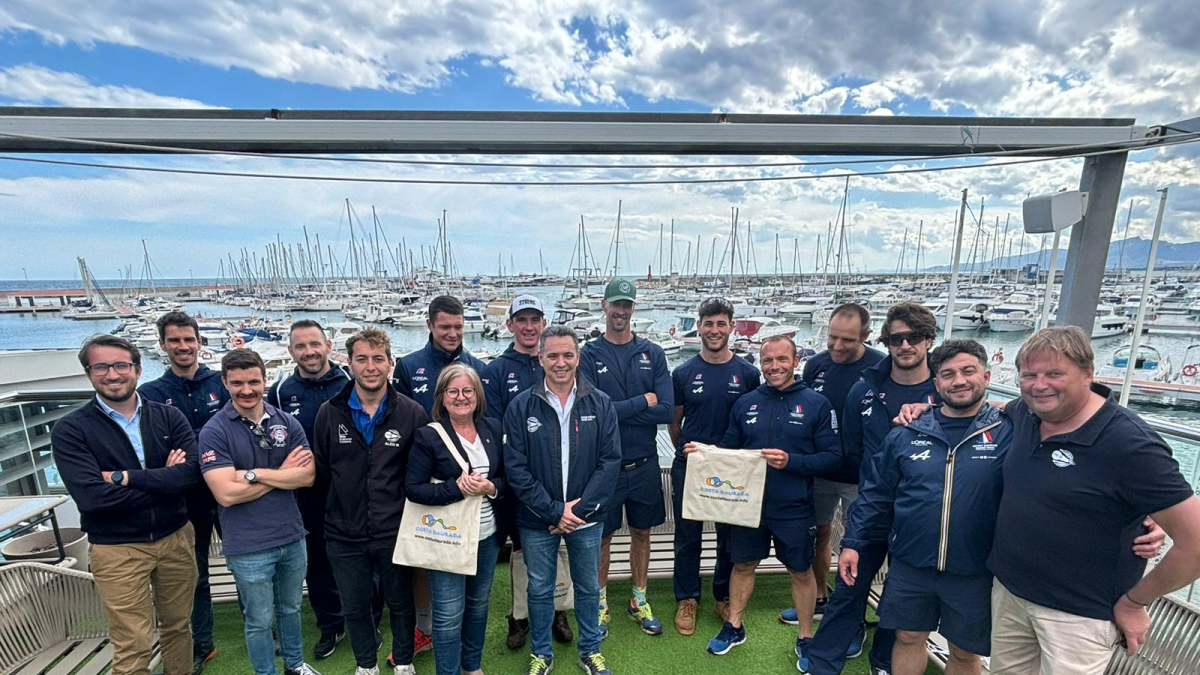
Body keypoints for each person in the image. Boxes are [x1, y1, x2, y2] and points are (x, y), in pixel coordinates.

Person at [986, 326, 1200, 674]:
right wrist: (926, 406)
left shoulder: (1131, 445)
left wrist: (1134, 603)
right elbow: (997, 405)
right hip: (1011, 594)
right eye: (1030, 375)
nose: (1040, 385)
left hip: (1078, 617)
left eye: (1055, 373)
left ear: (1088, 374)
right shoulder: (1027, 412)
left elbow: (1195, 542)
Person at [841, 339, 1007, 675]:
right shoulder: (907, 431)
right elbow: (876, 494)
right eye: (948, 374)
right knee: (907, 636)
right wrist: (853, 543)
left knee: (964, 652)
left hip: (975, 569)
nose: (958, 380)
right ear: (936, 383)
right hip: (911, 563)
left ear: (986, 377)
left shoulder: (1009, 432)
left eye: (968, 371)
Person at [804, 301, 941, 675]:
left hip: (922, 512)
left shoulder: (944, 391)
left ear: (929, 340)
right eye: (897, 338)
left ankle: (884, 659)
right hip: (872, 503)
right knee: (850, 581)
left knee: (904, 589)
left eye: (915, 337)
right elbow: (854, 446)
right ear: (887, 341)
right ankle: (824, 658)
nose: (905, 345)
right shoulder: (864, 390)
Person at [692, 335, 841, 672]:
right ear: (761, 363)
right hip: (747, 507)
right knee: (742, 566)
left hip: (794, 507)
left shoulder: (817, 404)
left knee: (801, 572)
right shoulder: (746, 403)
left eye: (781, 359)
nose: (774, 366)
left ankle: (805, 636)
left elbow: (833, 457)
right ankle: (734, 626)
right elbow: (729, 453)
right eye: (768, 360)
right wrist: (703, 453)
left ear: (796, 360)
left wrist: (792, 462)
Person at [52, 334, 199, 675]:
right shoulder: (71, 429)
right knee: (132, 645)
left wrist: (124, 477)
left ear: (137, 368)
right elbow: (93, 497)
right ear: (89, 373)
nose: (112, 374)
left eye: (121, 365)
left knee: (178, 628)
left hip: (175, 538)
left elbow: (190, 475)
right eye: (100, 366)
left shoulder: (168, 417)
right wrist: (163, 477)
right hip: (117, 548)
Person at [504, 326, 622, 675]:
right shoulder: (520, 405)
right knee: (539, 588)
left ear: (578, 357)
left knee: (587, 586)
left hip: (587, 518)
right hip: (537, 517)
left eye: (567, 355)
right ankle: (541, 653)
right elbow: (516, 468)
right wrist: (554, 510)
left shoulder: (600, 403)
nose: (560, 362)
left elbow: (610, 461)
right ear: (540, 358)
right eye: (552, 355)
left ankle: (590, 650)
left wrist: (578, 511)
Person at [312, 328, 429, 675]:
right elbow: (320, 471)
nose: (370, 366)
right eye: (362, 359)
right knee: (355, 605)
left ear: (390, 364)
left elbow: (420, 472)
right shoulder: (328, 413)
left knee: (401, 602)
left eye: (378, 359)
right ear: (349, 363)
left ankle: (404, 662)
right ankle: (367, 666)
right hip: (343, 532)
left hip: (394, 530)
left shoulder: (411, 412)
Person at [199, 348, 320, 675]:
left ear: (265, 380)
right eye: (237, 383)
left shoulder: (287, 422)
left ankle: (295, 666)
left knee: (291, 610)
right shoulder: (214, 431)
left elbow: (306, 477)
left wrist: (255, 473)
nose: (247, 389)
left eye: (254, 381)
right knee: (259, 620)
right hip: (248, 545)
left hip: (292, 536)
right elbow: (225, 493)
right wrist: (284, 475)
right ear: (225, 383)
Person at [579, 278, 674, 637]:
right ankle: (600, 603)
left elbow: (665, 411)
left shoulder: (653, 352)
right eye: (615, 304)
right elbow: (592, 412)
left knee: (642, 533)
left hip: (645, 463)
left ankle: (638, 598)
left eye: (627, 305)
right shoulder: (589, 354)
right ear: (604, 306)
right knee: (601, 538)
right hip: (605, 467)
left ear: (634, 308)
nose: (621, 311)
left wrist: (618, 410)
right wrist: (640, 402)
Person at [780, 303, 884, 626]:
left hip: (863, 478)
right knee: (819, 535)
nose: (837, 346)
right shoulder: (816, 366)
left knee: (858, 543)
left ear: (865, 336)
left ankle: (851, 608)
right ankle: (820, 596)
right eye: (832, 338)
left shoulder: (882, 368)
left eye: (847, 340)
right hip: (821, 471)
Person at [137, 311, 229, 675]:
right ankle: (202, 643)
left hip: (227, 490)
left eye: (189, 339)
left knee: (246, 562)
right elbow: (157, 453)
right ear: (163, 345)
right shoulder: (151, 394)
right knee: (195, 572)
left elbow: (234, 435)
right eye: (174, 340)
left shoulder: (221, 384)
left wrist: (187, 450)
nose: (183, 346)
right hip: (184, 497)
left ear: (199, 342)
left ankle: (264, 630)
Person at [481, 295, 574, 648]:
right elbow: (498, 430)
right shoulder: (496, 371)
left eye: (535, 319)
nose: (529, 326)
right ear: (510, 325)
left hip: (560, 482)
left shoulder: (555, 361)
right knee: (522, 551)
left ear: (543, 323)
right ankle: (519, 616)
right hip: (518, 483)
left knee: (557, 548)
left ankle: (558, 610)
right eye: (522, 319)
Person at [668, 297, 760, 635]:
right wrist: (694, 451)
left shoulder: (749, 373)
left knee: (728, 537)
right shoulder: (683, 372)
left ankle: (722, 594)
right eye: (708, 324)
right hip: (692, 463)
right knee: (688, 536)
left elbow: (754, 419)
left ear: (732, 327)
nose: (715, 330)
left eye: (721, 324)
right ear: (700, 326)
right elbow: (675, 423)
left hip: (732, 468)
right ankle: (687, 598)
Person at [406, 363, 505, 675]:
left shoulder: (493, 428)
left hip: (487, 537)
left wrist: (492, 487)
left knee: (478, 608)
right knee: (448, 615)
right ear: (442, 397)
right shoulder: (428, 436)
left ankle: (471, 667)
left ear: (477, 395)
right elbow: (413, 490)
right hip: (447, 539)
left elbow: (508, 478)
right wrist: (455, 488)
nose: (461, 397)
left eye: (468, 390)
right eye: (453, 391)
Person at [267, 320, 351, 659]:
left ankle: (368, 617)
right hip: (305, 493)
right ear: (291, 351)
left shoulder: (350, 380)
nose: (309, 352)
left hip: (351, 488)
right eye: (300, 346)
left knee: (360, 556)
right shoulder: (279, 391)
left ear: (328, 345)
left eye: (314, 344)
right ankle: (331, 624)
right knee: (315, 561)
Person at [394, 295, 487, 416]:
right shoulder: (407, 367)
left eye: (458, 327)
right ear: (430, 325)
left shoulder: (479, 368)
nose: (453, 334)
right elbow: (399, 418)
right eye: (445, 327)